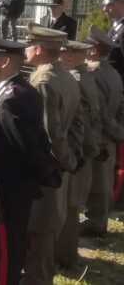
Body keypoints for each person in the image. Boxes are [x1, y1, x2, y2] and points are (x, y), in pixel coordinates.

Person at [0, 33, 57, 285]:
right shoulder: (15, 90)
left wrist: (39, 176)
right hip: (9, 184)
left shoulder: (14, 98)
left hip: (10, 187)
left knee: (7, 248)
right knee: (6, 246)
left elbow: (26, 147)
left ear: (4, 62)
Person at [23, 23, 80, 285]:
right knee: (46, 227)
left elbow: (50, 131)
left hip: (47, 168)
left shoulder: (43, 80)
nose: (25, 50)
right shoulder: (66, 76)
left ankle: (37, 279)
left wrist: (62, 160)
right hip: (59, 165)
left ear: (38, 49)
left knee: (40, 231)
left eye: (28, 45)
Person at [56, 40, 101, 270]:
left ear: (72, 57)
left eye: (62, 53)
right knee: (72, 205)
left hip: (77, 150)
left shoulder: (75, 79)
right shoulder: (87, 76)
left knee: (70, 206)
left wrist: (74, 154)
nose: (59, 56)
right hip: (84, 148)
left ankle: (65, 257)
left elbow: (79, 120)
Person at [82, 28, 124, 236]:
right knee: (104, 181)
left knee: (96, 182)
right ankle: (99, 222)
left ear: (94, 50)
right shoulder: (113, 73)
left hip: (98, 135)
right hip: (110, 134)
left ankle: (95, 224)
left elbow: (95, 110)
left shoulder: (93, 74)